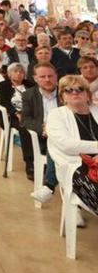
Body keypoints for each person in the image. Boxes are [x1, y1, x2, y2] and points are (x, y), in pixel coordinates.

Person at [46, 75, 98, 227]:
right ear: (62, 96)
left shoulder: (96, 111)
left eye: (79, 89)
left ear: (88, 94)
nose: (74, 92)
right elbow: (67, 145)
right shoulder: (56, 115)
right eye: (68, 90)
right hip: (75, 166)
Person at [23, 63, 60, 201]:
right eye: (42, 76)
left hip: (66, 135)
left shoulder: (67, 92)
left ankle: (49, 186)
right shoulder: (28, 95)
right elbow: (25, 120)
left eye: (50, 76)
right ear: (35, 78)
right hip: (44, 138)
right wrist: (41, 128)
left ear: (56, 76)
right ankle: (50, 186)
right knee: (53, 140)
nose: (47, 79)